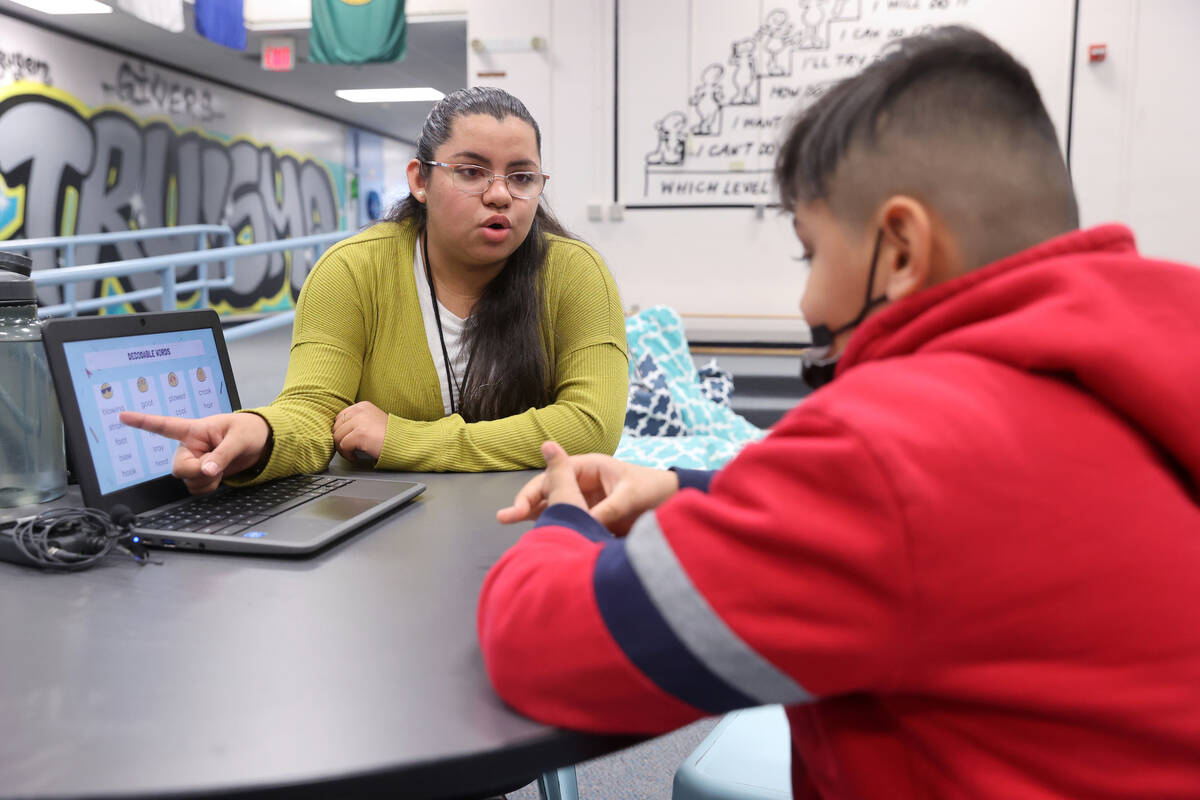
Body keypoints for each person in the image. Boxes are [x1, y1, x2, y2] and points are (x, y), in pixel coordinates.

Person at [478, 27, 1200, 799]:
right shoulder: (1138, 368)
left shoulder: (901, 451)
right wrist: (690, 491)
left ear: (900, 248)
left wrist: (564, 521)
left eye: (810, 253)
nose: (808, 300)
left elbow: (542, 645)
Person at [120, 87, 628, 492]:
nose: (499, 194)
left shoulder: (575, 272)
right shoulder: (352, 272)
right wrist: (261, 434)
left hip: (534, 519)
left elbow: (590, 426)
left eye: (522, 177)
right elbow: (314, 410)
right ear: (420, 181)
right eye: (471, 172)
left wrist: (405, 439)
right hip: (394, 538)